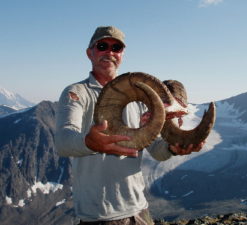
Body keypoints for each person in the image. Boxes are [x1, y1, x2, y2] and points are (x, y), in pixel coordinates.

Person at [55, 26, 204, 225]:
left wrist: (172, 148)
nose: (109, 52)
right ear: (89, 53)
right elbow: (63, 141)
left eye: (116, 47)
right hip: (100, 216)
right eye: (102, 46)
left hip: (139, 211)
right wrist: (89, 143)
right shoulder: (77, 92)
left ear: (122, 54)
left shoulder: (140, 95)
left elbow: (155, 149)